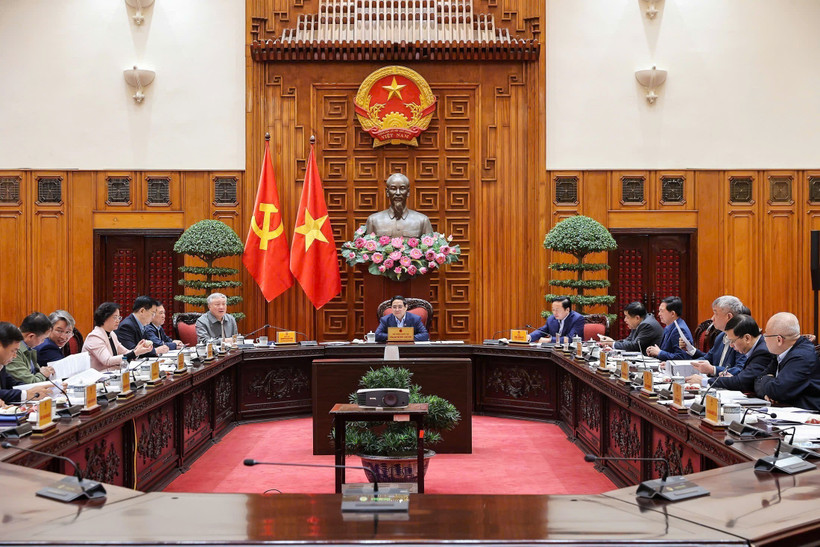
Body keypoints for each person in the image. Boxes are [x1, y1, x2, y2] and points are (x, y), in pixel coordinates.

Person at [754, 312, 820, 411]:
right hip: (787, 411)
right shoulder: (781, 352)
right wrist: (768, 389)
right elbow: (757, 379)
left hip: (808, 417)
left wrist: (767, 381)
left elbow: (777, 391)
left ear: (779, 340)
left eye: (766, 335)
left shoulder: (802, 357)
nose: (764, 339)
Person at [701, 314, 775, 392]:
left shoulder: (762, 352)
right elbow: (746, 378)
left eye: (732, 341)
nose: (731, 345)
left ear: (747, 338)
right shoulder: (755, 348)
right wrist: (732, 377)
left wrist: (705, 381)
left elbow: (742, 382)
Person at [682, 295, 745, 386]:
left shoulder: (741, 339)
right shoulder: (720, 337)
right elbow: (707, 359)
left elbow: (740, 369)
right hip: (713, 386)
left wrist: (713, 370)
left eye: (715, 313)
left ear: (729, 316)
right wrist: (675, 364)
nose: (712, 318)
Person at [83, 302, 153, 371]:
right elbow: (107, 360)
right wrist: (135, 353)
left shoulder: (112, 334)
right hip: (97, 377)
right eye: (115, 317)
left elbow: (125, 352)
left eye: (119, 317)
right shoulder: (95, 337)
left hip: (111, 373)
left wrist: (138, 349)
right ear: (104, 317)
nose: (118, 321)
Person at [364, 173, 434, 238]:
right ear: (387, 192)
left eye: (402, 188)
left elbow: (430, 249)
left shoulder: (422, 220)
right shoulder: (373, 220)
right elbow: (366, 249)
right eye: (393, 189)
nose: (398, 193)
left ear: (408, 192)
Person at [0, 322, 51, 404]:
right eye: (13, 351)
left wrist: (43, 388)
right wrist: (26, 394)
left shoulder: (2, 365)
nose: (15, 356)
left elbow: (13, 384)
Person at [3, 312, 56, 384]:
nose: (43, 342)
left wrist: (44, 372)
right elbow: (30, 383)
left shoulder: (27, 346)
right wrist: (42, 374)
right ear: (31, 336)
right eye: (43, 339)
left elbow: (35, 372)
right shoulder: (12, 350)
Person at [598, 301, 662, 354]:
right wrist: (612, 343)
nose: (625, 320)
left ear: (637, 318)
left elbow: (635, 346)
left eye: (627, 317)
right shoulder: (639, 323)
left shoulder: (647, 325)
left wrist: (612, 343)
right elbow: (629, 341)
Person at [645, 296, 693, 361]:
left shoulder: (679, 330)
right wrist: (654, 351)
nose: (659, 314)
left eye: (662, 311)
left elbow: (682, 357)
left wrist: (659, 353)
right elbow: (667, 351)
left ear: (672, 313)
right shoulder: (669, 326)